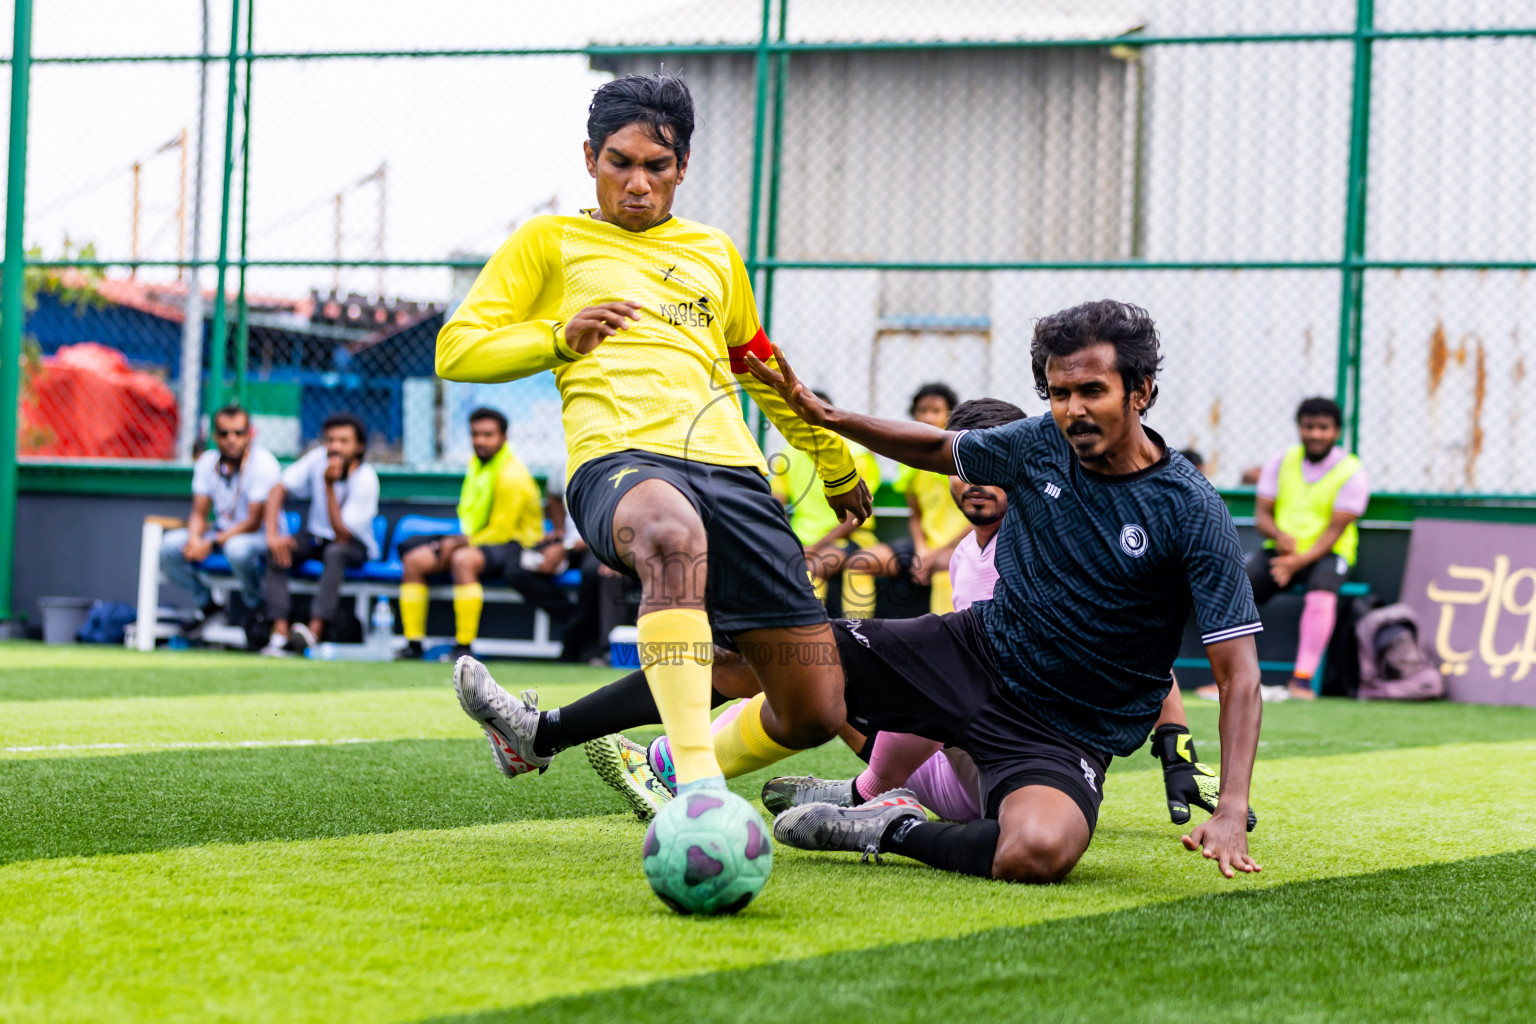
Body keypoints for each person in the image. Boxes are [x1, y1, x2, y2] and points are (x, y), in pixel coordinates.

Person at [435, 72, 872, 804]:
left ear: (683, 168)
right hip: (621, 462)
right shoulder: (552, 241)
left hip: (731, 472)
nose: (638, 184)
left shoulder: (715, 254)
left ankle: (596, 747)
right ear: (589, 158)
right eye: (620, 163)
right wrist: (558, 338)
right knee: (669, 533)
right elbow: (458, 349)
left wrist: (830, 457)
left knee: (812, 709)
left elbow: (763, 372)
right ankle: (700, 794)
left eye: (656, 167)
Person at [749, 299, 1262, 883]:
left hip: (1065, 728)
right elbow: (937, 448)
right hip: (973, 654)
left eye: (1092, 390)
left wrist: (1231, 809)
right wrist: (828, 417)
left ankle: (891, 825)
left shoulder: (1191, 509)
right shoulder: (1038, 441)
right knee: (777, 646)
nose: (1073, 410)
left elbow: (1238, 675)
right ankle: (670, 756)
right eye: (1058, 392)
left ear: (1140, 390)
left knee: (1039, 851)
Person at [1198, 396, 1369, 703]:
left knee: (1322, 590)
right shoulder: (1281, 460)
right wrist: (1279, 536)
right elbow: (1262, 515)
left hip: (1327, 554)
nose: (1316, 434)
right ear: (1299, 428)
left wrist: (1297, 561)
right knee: (1239, 583)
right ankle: (1226, 677)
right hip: (1281, 551)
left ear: (1337, 431)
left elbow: (1334, 531)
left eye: (1323, 428)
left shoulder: (1352, 471)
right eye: (1309, 427)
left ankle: (1301, 681)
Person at [395, 407, 564, 662]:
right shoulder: (477, 465)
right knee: (414, 561)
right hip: (479, 540)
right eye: (475, 435)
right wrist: (457, 541)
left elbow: (502, 532)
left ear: (504, 438)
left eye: (488, 435)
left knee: (463, 559)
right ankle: (413, 644)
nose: (480, 441)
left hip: (516, 546)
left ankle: (463, 647)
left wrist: (461, 543)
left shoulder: (513, 475)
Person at [840, 383, 972, 616]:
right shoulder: (910, 458)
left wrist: (939, 552)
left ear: (949, 415)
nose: (928, 417)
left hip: (957, 545)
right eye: (922, 411)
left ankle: (946, 644)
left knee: (947, 569)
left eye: (935, 410)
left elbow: (976, 518)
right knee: (860, 562)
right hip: (924, 547)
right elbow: (916, 514)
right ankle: (857, 635)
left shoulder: (963, 456)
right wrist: (922, 550)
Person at [260, 413, 380, 656]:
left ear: (358, 447)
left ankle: (313, 633)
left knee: (336, 553)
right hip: (317, 538)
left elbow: (342, 534)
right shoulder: (317, 459)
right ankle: (280, 634)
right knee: (278, 551)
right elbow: (278, 489)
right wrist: (272, 535)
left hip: (353, 543)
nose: (335, 447)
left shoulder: (367, 479)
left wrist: (328, 486)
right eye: (330, 440)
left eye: (344, 441)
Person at [159, 403, 280, 632]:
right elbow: (198, 513)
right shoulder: (207, 462)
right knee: (170, 546)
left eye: (238, 433)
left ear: (250, 434)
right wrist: (195, 538)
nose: (231, 439)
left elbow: (253, 522)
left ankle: (255, 605)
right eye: (224, 434)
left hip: (258, 535)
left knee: (237, 549)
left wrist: (210, 542)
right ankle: (207, 604)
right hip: (221, 534)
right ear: (215, 436)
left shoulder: (264, 463)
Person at [768, 390, 882, 613]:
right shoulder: (787, 455)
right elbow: (775, 506)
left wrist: (812, 549)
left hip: (849, 537)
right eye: (803, 413)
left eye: (817, 412)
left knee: (810, 570)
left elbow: (855, 517)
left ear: (829, 416)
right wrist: (788, 544)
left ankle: (829, 636)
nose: (811, 419)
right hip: (802, 541)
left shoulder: (856, 455)